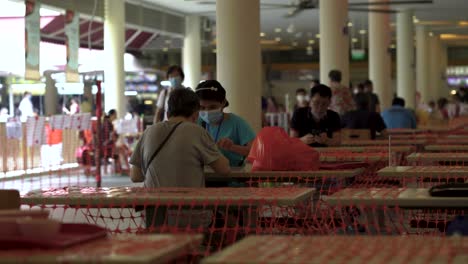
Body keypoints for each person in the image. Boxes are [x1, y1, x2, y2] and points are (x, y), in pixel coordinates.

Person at [129, 89, 230, 228]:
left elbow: (135, 176)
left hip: (155, 218)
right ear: (196, 114)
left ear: (168, 111)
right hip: (191, 217)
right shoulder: (197, 131)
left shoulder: (149, 131)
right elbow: (224, 169)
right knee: (227, 217)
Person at [195, 80, 256, 168]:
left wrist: (232, 147)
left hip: (232, 176)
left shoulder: (237, 123)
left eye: (213, 107)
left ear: (223, 102)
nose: (207, 112)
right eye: (202, 107)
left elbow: (255, 152)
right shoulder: (196, 122)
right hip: (203, 176)